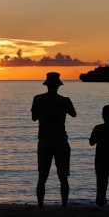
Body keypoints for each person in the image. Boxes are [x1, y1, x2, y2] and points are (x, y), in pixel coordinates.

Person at [31, 71, 77, 208]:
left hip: (45, 140)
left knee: (42, 176)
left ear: (47, 85)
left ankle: (40, 206)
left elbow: (34, 117)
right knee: (63, 177)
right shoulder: (65, 100)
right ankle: (64, 205)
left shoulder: (38, 99)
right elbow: (73, 114)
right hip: (60, 140)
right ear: (58, 86)